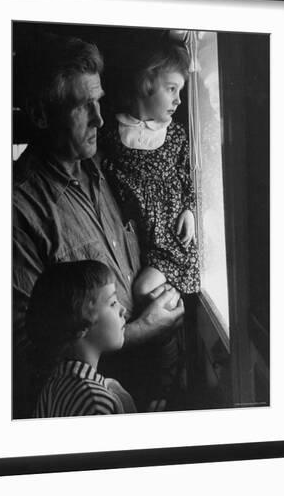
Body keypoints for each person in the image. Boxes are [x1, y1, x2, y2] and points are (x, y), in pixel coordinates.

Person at [13, 33, 184, 418]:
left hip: (148, 390)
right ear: (40, 115)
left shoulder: (105, 166)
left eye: (99, 101)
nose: (100, 118)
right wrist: (142, 329)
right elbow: (29, 352)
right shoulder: (18, 208)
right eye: (82, 106)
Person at [100, 37, 200, 395]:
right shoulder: (111, 132)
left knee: (146, 290)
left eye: (180, 90)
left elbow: (188, 175)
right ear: (146, 83)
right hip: (137, 238)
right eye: (171, 89)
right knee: (139, 291)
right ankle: (174, 373)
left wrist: (189, 207)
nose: (177, 100)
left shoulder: (173, 135)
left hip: (169, 237)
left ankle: (171, 370)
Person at [27, 260, 137, 417]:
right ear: (81, 324)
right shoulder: (96, 403)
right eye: (112, 303)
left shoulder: (54, 386)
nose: (123, 309)